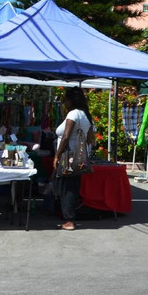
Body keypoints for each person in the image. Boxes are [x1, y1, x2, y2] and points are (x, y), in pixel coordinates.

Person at [53, 87, 94, 230]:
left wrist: (57, 155)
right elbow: (90, 139)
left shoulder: (73, 114)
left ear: (70, 100)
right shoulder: (85, 115)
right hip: (78, 157)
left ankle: (69, 220)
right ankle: (68, 217)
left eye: (65, 100)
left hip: (67, 156)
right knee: (73, 186)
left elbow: (65, 136)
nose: (64, 103)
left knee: (67, 188)